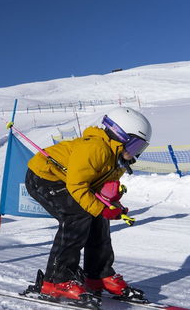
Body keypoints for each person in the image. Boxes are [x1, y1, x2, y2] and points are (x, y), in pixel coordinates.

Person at [25, 107, 152, 301]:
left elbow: (99, 189)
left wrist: (111, 206)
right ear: (119, 135)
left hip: (70, 181)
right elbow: (77, 185)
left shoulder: (117, 160)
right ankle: (57, 280)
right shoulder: (95, 148)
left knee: (98, 218)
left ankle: (98, 275)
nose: (136, 153)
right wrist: (100, 208)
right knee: (77, 216)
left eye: (140, 148)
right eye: (135, 146)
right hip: (44, 177)